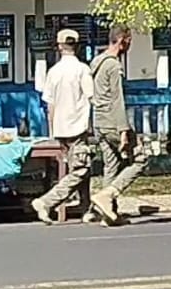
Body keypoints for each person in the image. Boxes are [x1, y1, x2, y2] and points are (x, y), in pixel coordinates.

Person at [31, 29, 116, 226]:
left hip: (61, 128)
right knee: (80, 169)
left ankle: (86, 209)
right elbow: (91, 97)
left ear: (59, 46)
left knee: (80, 168)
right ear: (77, 46)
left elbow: (49, 105)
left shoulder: (53, 72)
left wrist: (52, 129)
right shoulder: (82, 70)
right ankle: (46, 202)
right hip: (78, 127)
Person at [90, 25, 147, 222]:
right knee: (141, 158)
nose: (129, 46)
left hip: (99, 121)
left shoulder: (96, 62)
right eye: (129, 41)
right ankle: (109, 194)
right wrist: (124, 130)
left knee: (111, 165)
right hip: (113, 122)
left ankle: (109, 214)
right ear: (123, 40)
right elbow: (117, 98)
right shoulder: (113, 65)